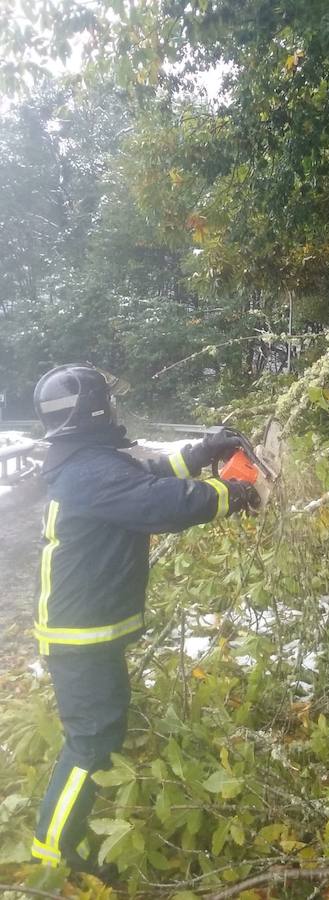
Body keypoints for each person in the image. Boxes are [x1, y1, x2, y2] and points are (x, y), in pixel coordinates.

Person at [30, 363, 257, 873]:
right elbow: (162, 502)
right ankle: (55, 852)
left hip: (86, 632)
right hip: (79, 637)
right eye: (106, 402)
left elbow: (149, 473)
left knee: (100, 731)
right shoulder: (89, 471)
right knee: (90, 741)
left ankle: (59, 838)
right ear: (91, 411)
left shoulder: (87, 463)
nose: (114, 408)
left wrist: (202, 452)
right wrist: (234, 492)